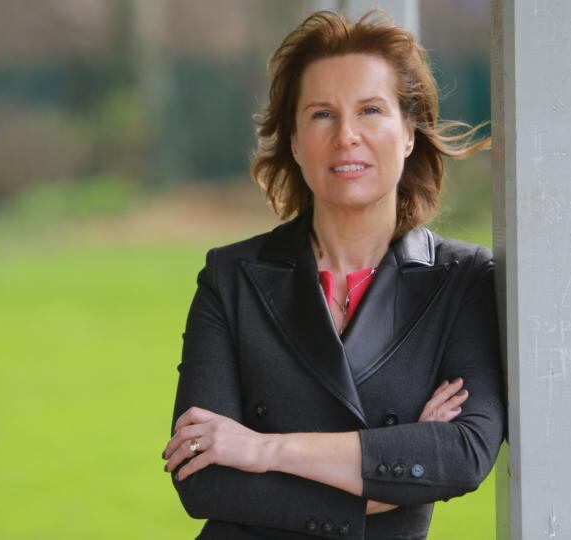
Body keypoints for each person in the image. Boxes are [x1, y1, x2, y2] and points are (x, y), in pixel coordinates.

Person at [161, 9, 505, 540]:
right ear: (295, 142)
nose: (347, 136)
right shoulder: (230, 278)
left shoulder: (462, 279)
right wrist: (395, 473)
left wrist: (262, 448)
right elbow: (201, 477)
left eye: (370, 110)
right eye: (322, 114)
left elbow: (463, 453)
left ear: (409, 133)